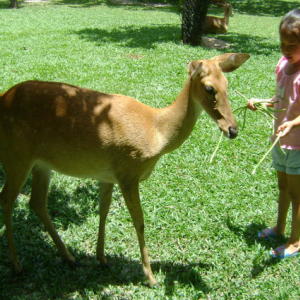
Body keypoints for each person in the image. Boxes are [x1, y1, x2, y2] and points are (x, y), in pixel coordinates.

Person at [247, 9, 300, 259]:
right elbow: (279, 99)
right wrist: (261, 102)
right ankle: (279, 227)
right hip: (279, 141)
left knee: (296, 194)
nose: (285, 50)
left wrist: (292, 123)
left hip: (298, 145)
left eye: (292, 45)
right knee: (282, 187)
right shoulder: (282, 65)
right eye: (282, 43)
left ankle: (295, 241)